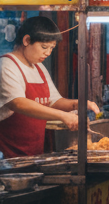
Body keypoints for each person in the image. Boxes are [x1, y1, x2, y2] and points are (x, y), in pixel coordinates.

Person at [0, 17, 100, 157]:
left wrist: (78, 104)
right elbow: (18, 103)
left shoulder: (39, 67)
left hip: (34, 154)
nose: (48, 53)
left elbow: (54, 101)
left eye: (52, 48)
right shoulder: (6, 65)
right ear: (27, 41)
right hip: (9, 156)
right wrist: (63, 116)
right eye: (44, 47)